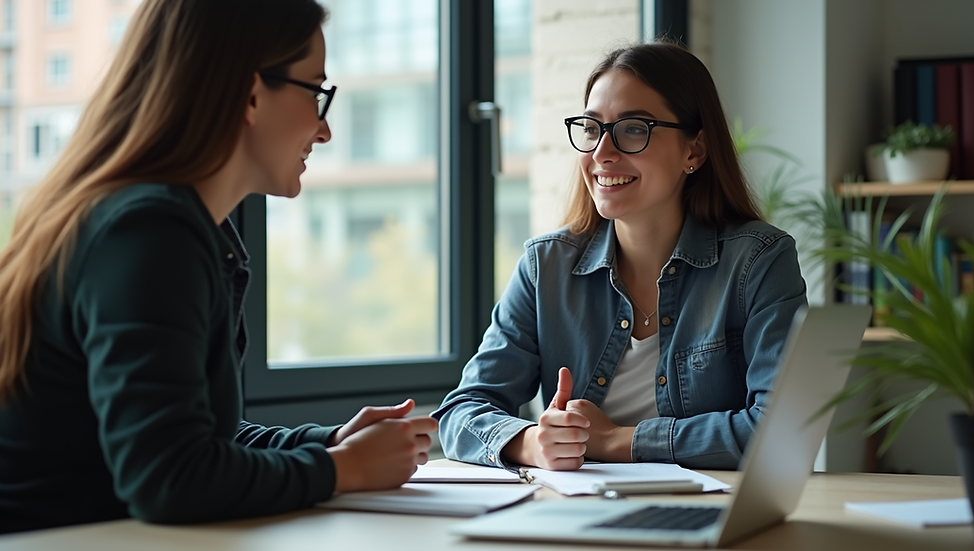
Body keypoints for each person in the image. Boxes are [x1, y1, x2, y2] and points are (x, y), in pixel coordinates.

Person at [0, 0, 437, 534]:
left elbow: (201, 439)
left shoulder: (180, 227)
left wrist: (329, 444)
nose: (324, 132)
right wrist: (341, 469)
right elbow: (169, 477)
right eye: (317, 93)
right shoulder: (148, 234)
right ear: (250, 94)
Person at [434, 41, 807, 472]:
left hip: (711, 517)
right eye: (592, 129)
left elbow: (781, 432)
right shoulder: (546, 267)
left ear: (694, 151)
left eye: (633, 129)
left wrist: (615, 440)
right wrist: (532, 442)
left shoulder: (758, 261)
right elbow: (462, 412)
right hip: (577, 515)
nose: (601, 153)